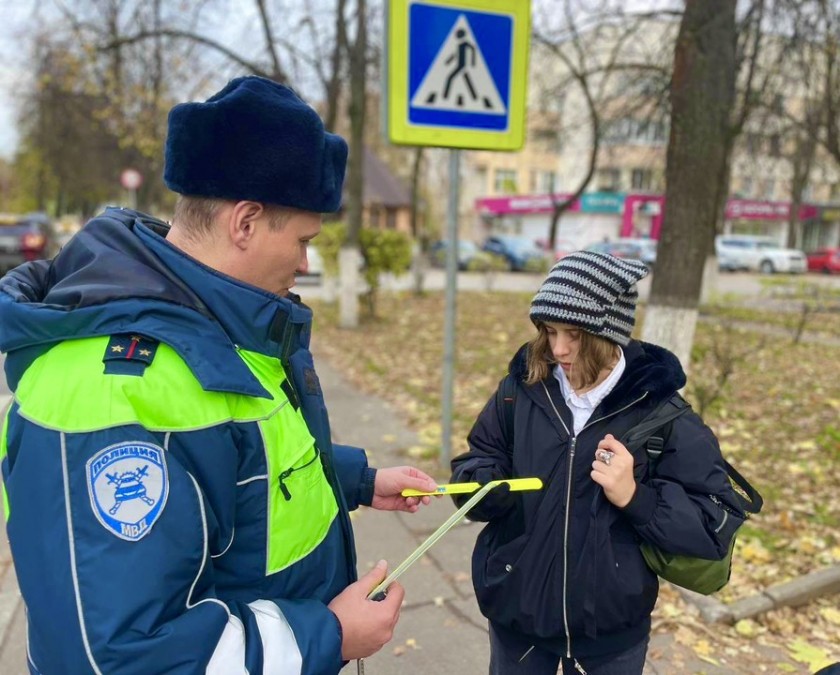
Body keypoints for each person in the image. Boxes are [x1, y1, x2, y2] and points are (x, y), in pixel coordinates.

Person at [0, 76, 438, 674]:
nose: (306, 264)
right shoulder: (119, 389)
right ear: (246, 222)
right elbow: (123, 656)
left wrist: (357, 479)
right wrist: (329, 633)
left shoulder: (213, 320)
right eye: (303, 240)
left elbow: (235, 461)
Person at [450, 251, 747, 675]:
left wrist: (636, 497)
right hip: (518, 620)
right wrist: (482, 486)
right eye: (549, 331)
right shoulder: (522, 388)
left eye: (574, 333)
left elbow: (713, 525)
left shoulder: (661, 412)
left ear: (610, 333)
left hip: (610, 638)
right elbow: (478, 457)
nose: (558, 348)